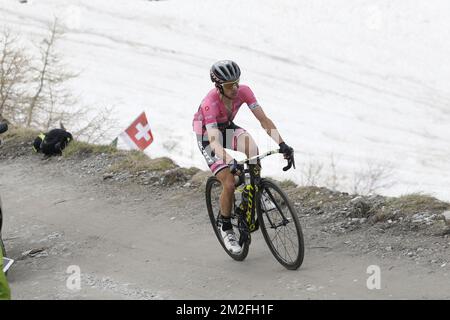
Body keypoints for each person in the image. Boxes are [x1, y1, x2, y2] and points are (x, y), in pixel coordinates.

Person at [192, 60, 294, 254]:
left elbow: (264, 120)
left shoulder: (244, 91)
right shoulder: (209, 103)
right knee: (229, 182)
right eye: (230, 85)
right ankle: (226, 227)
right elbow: (214, 143)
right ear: (219, 86)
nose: (236, 88)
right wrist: (230, 162)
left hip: (226, 127)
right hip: (207, 135)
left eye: (237, 82)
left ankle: (255, 188)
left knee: (252, 148)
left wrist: (282, 144)